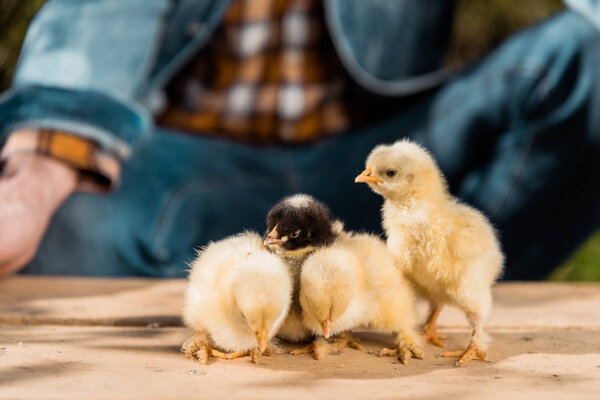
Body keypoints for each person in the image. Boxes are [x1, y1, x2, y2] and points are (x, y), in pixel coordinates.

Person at [0, 0, 599, 280]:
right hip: (188, 171)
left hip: (379, 153)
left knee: (590, 54)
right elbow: (95, 23)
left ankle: (436, 293)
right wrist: (35, 177)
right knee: (64, 223)